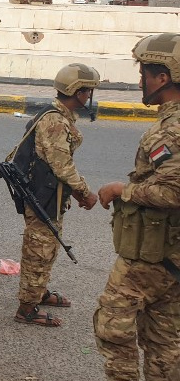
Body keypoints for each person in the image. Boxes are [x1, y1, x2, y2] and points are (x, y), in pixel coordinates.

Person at [94, 33, 180, 381]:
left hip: (152, 257)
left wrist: (121, 190)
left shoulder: (170, 130)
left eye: (144, 73)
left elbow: (173, 192)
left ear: (163, 78)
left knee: (112, 327)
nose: (140, 81)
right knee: (164, 341)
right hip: (171, 258)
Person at [9, 63, 100, 327]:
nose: (89, 97)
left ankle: (39, 291)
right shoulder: (56, 121)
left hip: (49, 195)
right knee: (39, 249)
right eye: (88, 91)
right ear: (78, 92)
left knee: (47, 246)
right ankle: (27, 308)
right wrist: (86, 193)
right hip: (42, 196)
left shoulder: (57, 115)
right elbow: (63, 167)